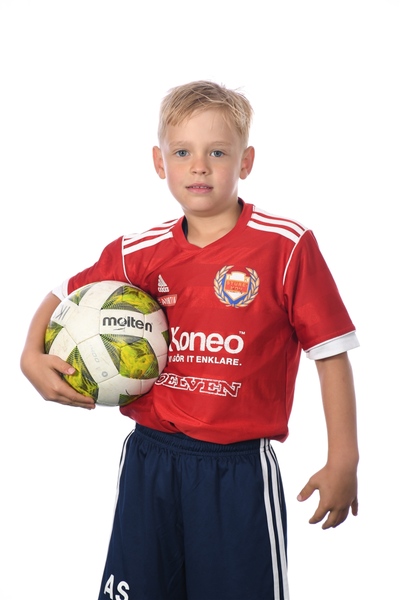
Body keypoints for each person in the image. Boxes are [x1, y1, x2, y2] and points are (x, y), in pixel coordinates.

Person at [20, 80, 359, 600]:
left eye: (217, 152)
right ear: (160, 163)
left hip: (237, 471)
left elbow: (330, 351)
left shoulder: (285, 247)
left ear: (246, 162)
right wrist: (30, 355)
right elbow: (63, 293)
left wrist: (344, 459)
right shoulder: (139, 251)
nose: (199, 166)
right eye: (182, 153)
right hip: (150, 458)